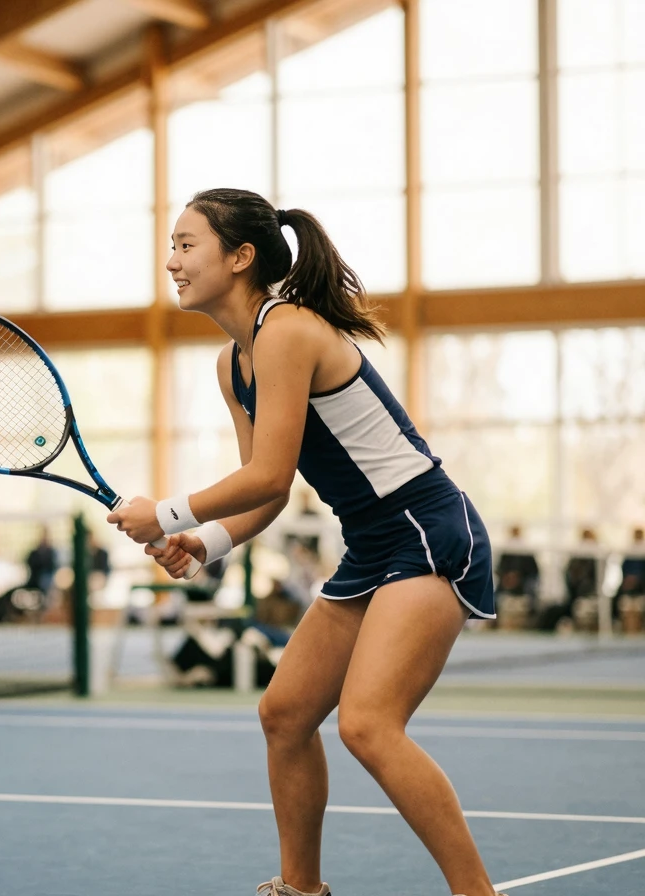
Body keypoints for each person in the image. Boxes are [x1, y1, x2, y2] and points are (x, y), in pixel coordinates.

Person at [108, 189, 504, 896]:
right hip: (373, 547)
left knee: (368, 725)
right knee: (285, 714)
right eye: (171, 246)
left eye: (186, 244)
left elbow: (268, 469)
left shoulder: (286, 328)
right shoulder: (234, 364)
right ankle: (302, 890)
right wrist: (204, 545)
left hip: (427, 528)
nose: (171, 261)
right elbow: (270, 494)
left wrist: (166, 516)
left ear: (241, 257)